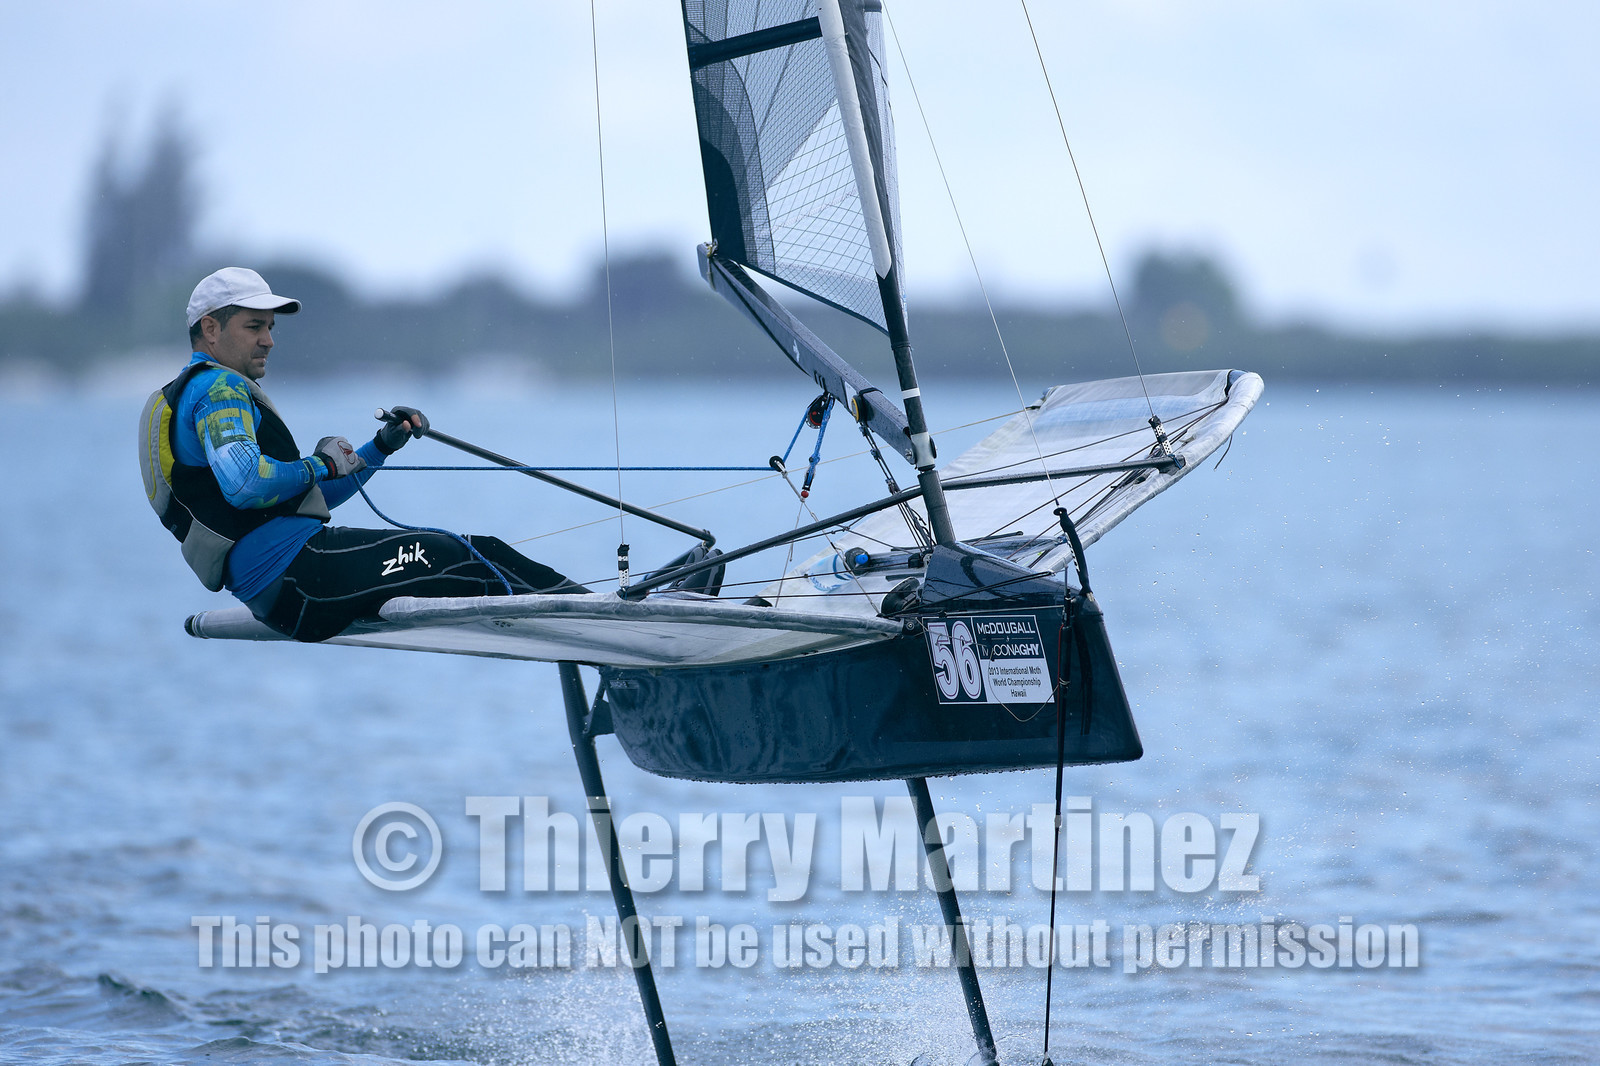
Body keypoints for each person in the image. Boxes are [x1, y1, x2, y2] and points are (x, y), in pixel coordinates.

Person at [139, 267, 586, 643]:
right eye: (254, 327)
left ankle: (592, 630)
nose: (269, 341)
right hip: (302, 577)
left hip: (287, 588)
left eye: (271, 328)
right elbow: (246, 484)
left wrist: (379, 448)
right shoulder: (218, 389)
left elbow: (300, 500)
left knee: (472, 560)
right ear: (211, 329)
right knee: (477, 556)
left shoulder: (190, 395)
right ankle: (602, 623)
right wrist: (323, 463)